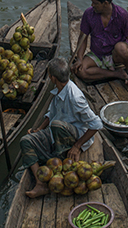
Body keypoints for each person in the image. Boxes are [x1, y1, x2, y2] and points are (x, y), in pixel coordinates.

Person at [21, 57, 104, 198]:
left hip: (73, 135)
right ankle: (40, 183)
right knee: (26, 140)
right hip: (57, 132)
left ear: (52, 77)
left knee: (56, 125)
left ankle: (60, 161)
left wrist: (77, 146)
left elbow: (96, 124)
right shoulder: (58, 90)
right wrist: (39, 129)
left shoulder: (75, 97)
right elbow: (51, 113)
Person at [71, 0, 128, 86]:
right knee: (80, 71)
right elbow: (83, 38)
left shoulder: (123, 16)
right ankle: (116, 74)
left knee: (121, 48)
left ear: (105, 3)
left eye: (95, 3)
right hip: (98, 54)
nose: (92, 5)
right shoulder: (89, 14)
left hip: (115, 56)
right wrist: (79, 59)